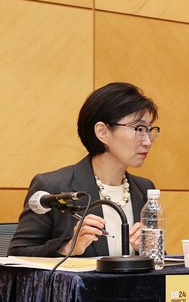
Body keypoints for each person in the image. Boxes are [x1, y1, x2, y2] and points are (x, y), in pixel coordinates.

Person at [10, 82, 160, 257]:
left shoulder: (145, 189)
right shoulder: (52, 186)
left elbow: (159, 260)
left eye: (150, 130)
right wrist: (68, 248)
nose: (148, 141)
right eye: (139, 129)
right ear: (102, 132)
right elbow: (17, 254)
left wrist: (146, 249)